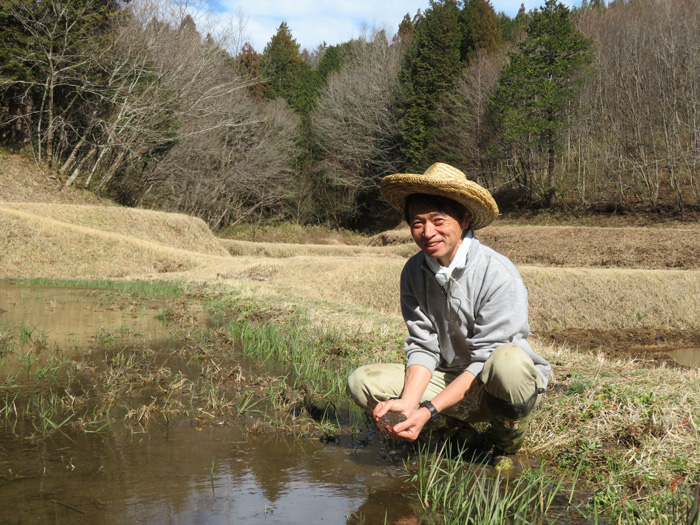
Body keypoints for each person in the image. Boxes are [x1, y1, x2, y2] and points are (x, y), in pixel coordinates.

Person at [347, 162, 551, 463]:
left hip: (494, 388)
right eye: (417, 223)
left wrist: (428, 410)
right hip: (449, 376)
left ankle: (503, 446)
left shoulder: (498, 274)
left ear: (465, 219)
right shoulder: (414, 271)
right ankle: (457, 436)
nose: (428, 232)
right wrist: (409, 403)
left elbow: (486, 359)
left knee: (508, 361)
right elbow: (423, 344)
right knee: (362, 382)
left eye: (438, 220)